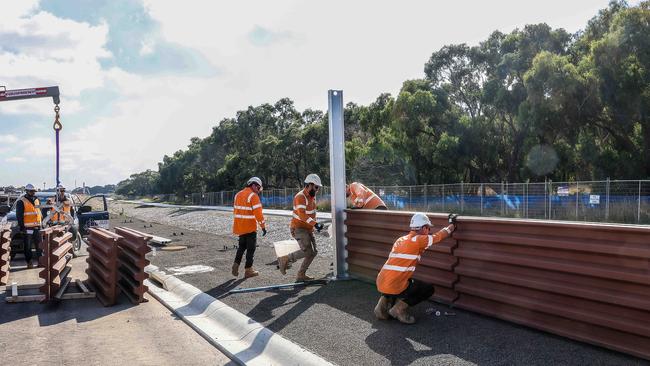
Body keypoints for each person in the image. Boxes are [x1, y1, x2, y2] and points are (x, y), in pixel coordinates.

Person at [374, 213, 457, 324]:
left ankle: (380, 308)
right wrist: (452, 225)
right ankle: (399, 310)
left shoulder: (401, 239)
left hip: (381, 281)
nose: (429, 230)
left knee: (397, 280)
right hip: (394, 284)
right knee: (427, 289)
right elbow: (439, 236)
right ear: (423, 228)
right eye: (428, 228)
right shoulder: (419, 240)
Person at [285, 173, 325, 281]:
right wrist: (315, 224)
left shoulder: (312, 197)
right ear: (310, 185)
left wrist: (315, 225)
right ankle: (286, 259)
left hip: (307, 228)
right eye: (316, 187)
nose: (317, 190)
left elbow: (311, 214)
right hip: (298, 228)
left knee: (313, 252)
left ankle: (301, 275)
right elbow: (302, 215)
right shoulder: (300, 196)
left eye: (318, 188)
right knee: (307, 251)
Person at [231, 177, 267, 278]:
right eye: (258, 188)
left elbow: (235, 211)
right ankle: (248, 270)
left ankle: (236, 264)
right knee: (251, 249)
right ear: (254, 185)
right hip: (250, 228)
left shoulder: (238, 194)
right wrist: (263, 226)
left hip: (240, 227)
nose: (259, 190)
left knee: (241, 247)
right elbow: (258, 214)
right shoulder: (253, 196)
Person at [15, 184, 43, 269]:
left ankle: (40, 261)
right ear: (27, 191)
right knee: (27, 247)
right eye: (31, 191)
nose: (33, 193)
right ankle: (29, 262)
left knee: (39, 246)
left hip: (37, 227)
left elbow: (40, 212)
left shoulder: (37, 200)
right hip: (27, 228)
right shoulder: (21, 201)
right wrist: (22, 227)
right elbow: (19, 216)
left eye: (34, 191)